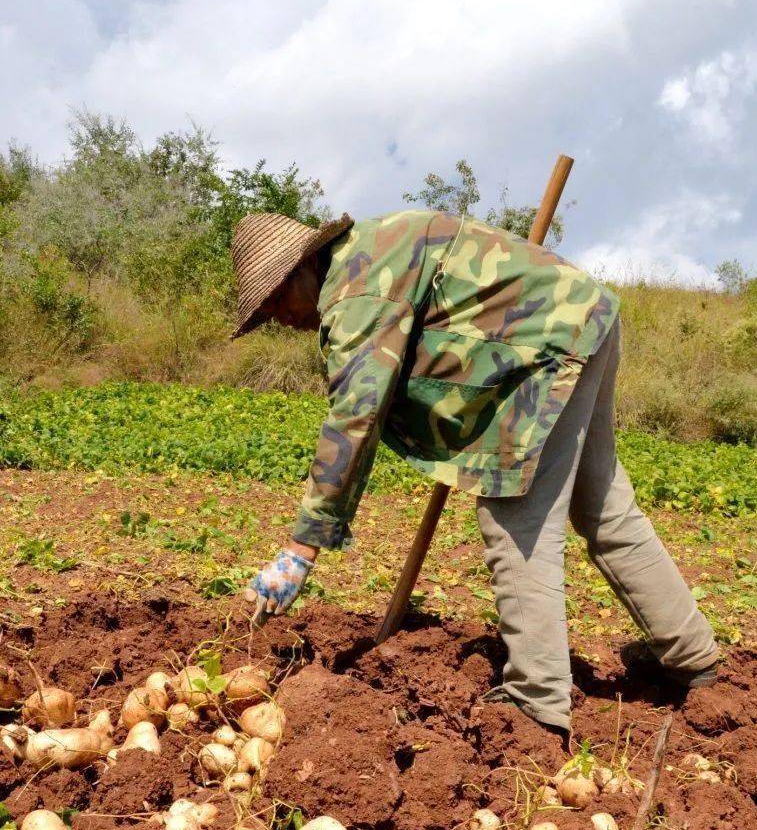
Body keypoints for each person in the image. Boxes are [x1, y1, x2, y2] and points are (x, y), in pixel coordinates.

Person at [230, 206, 718, 740]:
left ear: (303, 267)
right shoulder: (377, 250)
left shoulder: (358, 294)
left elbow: (353, 419)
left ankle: (537, 704)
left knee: (515, 517)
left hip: (545, 349)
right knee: (600, 503)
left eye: (275, 301)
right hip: (582, 318)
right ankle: (693, 658)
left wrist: (302, 548)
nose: (279, 317)